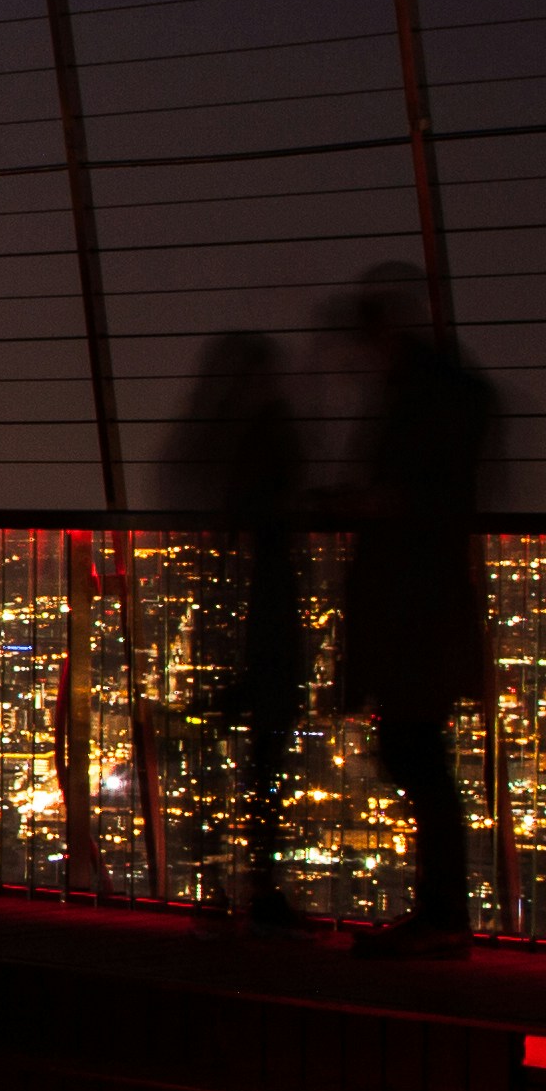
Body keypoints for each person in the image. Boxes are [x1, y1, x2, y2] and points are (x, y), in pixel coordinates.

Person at [330, 263, 501, 962]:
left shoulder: (418, 403)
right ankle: (442, 913)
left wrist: (367, 505)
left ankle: (442, 915)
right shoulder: (449, 396)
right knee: (419, 753)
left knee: (416, 755)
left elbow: (411, 499)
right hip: (426, 606)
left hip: (412, 609)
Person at [165, 330, 311, 932]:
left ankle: (216, 886)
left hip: (231, 626)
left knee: (221, 759)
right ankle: (257, 888)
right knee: (265, 764)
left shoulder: (210, 443)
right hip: (265, 625)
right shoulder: (267, 435)